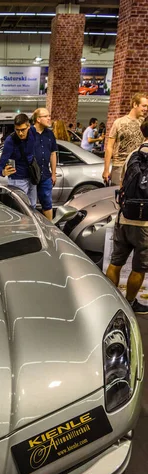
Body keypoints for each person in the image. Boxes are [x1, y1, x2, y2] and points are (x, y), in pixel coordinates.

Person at [106, 117, 148, 314]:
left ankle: (110, 302)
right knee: (139, 268)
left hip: (124, 218)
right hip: (145, 224)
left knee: (115, 263)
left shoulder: (133, 155)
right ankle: (129, 304)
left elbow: (122, 185)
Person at [103, 92, 148, 185]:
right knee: (116, 194)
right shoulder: (119, 123)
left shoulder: (144, 123)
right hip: (119, 166)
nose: (146, 109)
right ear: (135, 104)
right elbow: (109, 147)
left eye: (147, 106)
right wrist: (106, 170)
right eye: (144, 106)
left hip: (138, 165)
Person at [0, 113, 37, 207]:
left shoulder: (33, 133)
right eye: (17, 130)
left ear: (28, 126)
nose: (20, 133)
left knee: (33, 207)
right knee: (20, 208)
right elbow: (0, 167)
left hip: (32, 177)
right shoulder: (10, 141)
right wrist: (3, 172)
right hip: (17, 180)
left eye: (23, 130)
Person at [33, 108, 57, 221]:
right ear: (38, 119)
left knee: (47, 203)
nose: (49, 118)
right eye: (46, 116)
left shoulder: (50, 134)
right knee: (29, 205)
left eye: (49, 116)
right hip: (31, 176)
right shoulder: (29, 133)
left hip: (45, 176)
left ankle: (50, 228)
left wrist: (54, 173)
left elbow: (53, 154)